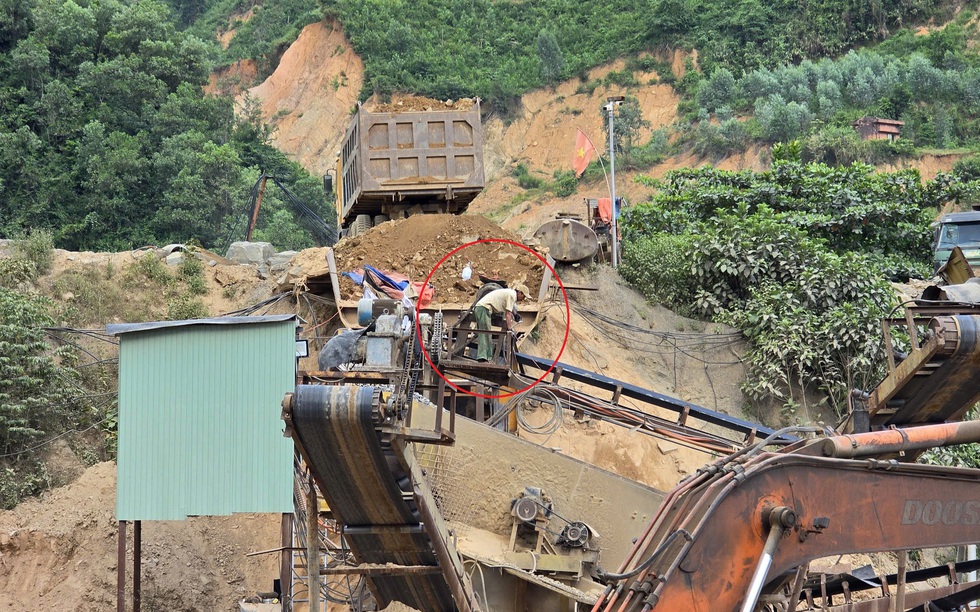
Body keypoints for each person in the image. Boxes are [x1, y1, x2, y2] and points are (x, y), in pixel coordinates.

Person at [474, 282, 529, 362]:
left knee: (487, 333)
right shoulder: (512, 295)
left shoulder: (510, 294)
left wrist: (516, 314)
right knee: (484, 333)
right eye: (523, 296)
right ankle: (482, 357)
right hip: (483, 308)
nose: (523, 299)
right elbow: (508, 314)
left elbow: (510, 309)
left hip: (484, 309)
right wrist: (509, 329)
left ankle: (487, 357)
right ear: (520, 292)